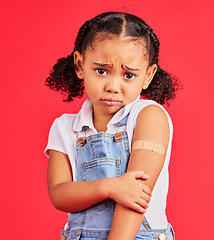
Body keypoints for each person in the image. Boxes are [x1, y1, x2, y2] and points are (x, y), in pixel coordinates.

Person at [45, 12, 180, 240]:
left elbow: (136, 196)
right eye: (101, 71)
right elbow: (59, 194)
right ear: (80, 65)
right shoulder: (64, 127)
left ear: (147, 75)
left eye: (128, 75)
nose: (113, 86)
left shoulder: (149, 117)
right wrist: (110, 187)